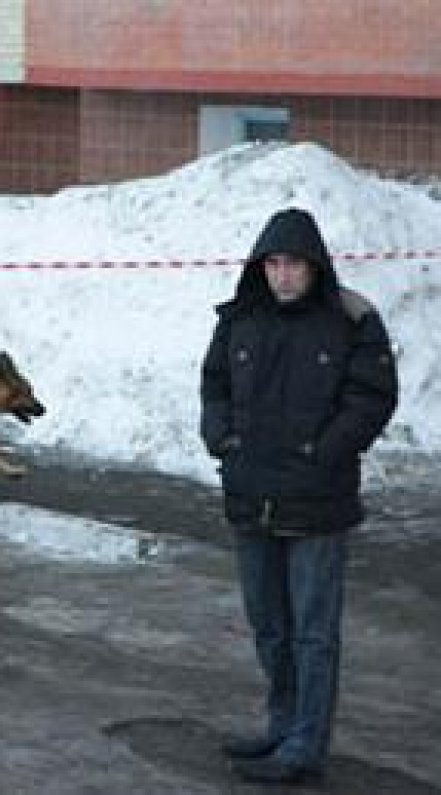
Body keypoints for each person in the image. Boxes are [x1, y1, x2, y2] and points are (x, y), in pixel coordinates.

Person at [200, 208, 398, 784]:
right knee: (268, 623)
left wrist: (325, 452)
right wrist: (223, 438)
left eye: (294, 265)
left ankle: (306, 743)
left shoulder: (351, 321)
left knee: (314, 631)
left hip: (317, 501)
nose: (283, 275)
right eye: (274, 263)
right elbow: (213, 384)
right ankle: (281, 724)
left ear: (315, 267)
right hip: (250, 494)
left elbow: (373, 395)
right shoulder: (239, 319)